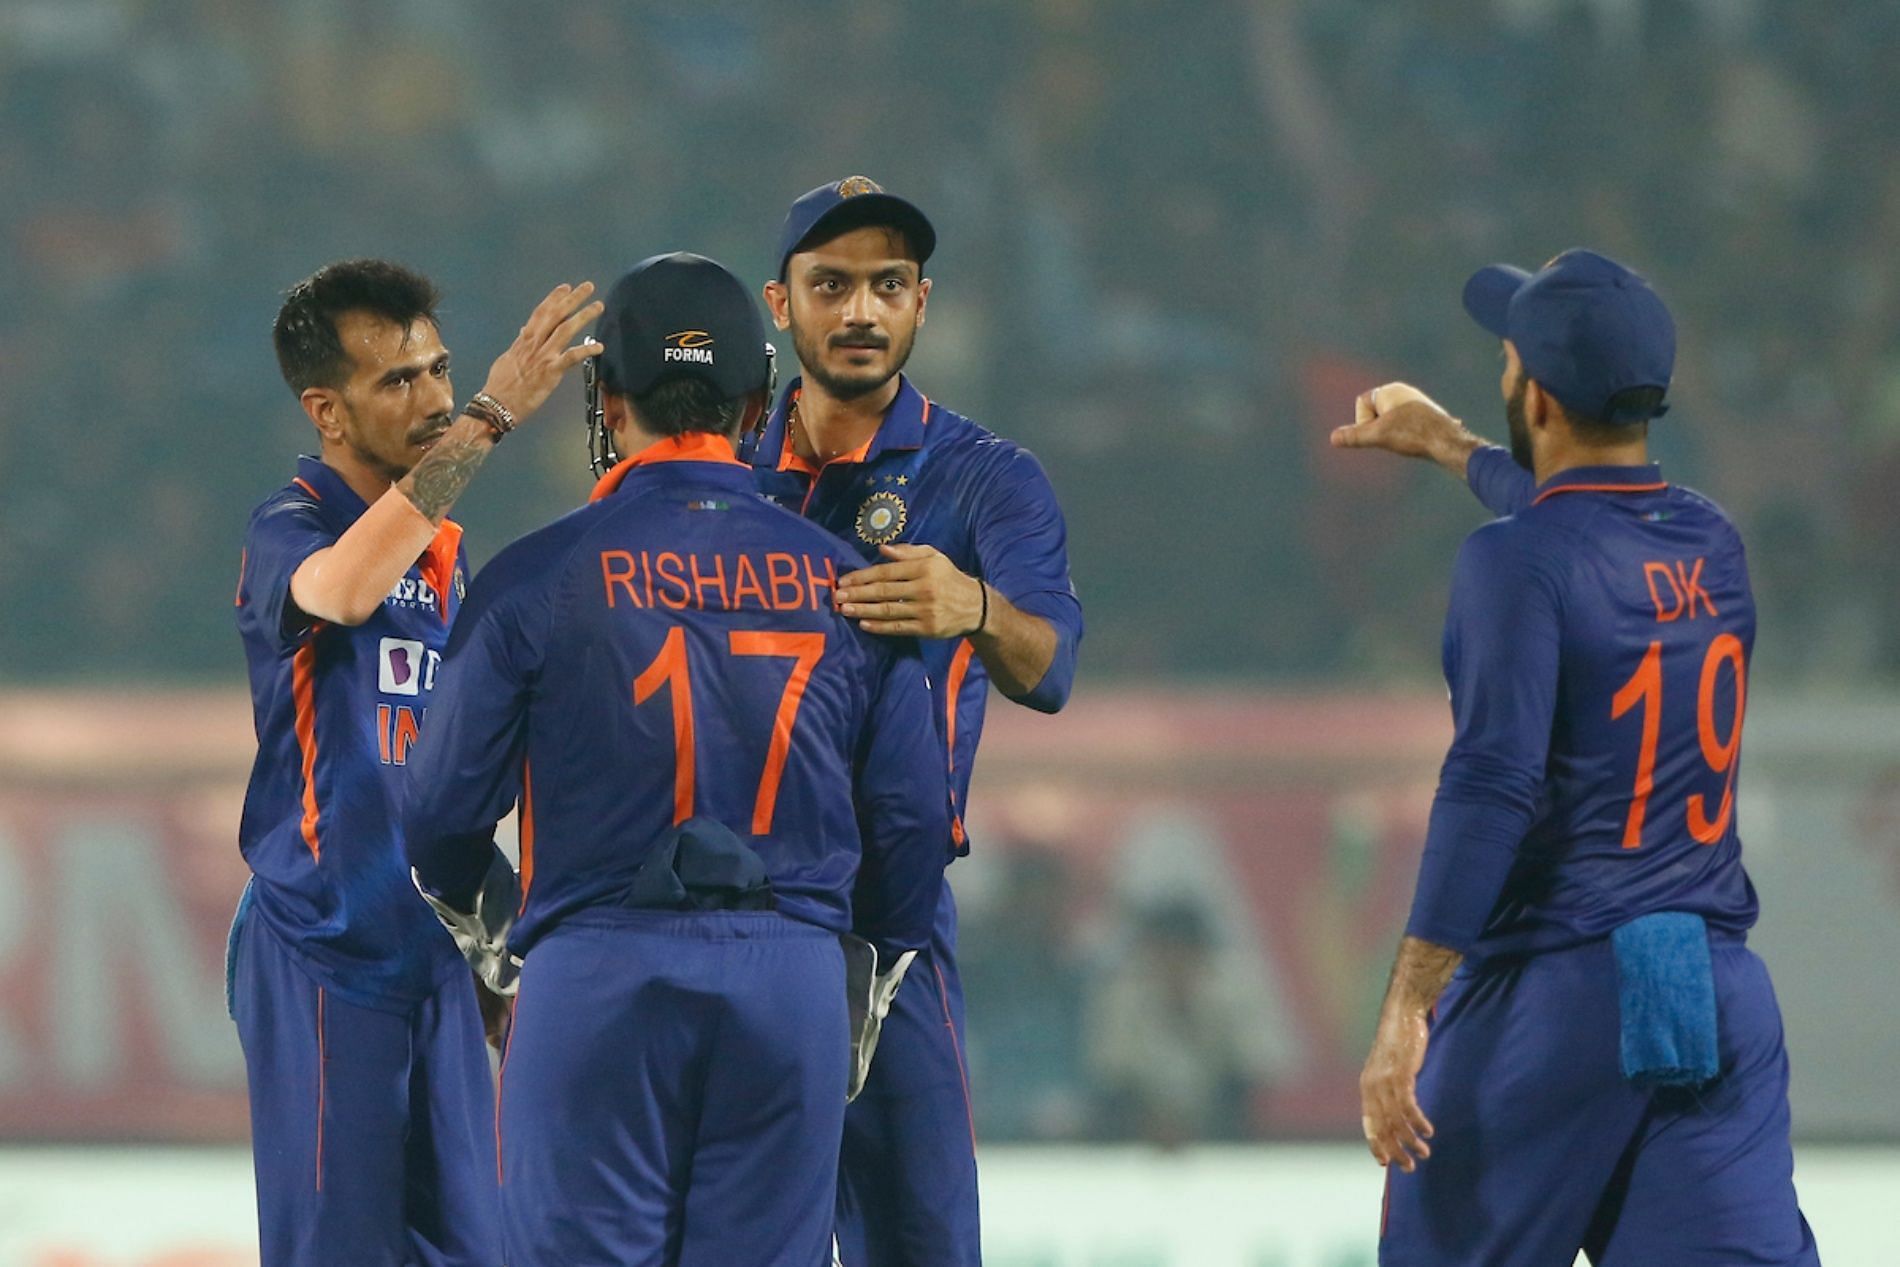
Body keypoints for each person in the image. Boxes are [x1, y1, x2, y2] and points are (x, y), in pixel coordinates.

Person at [403, 252, 951, 1267]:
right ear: (757, 403)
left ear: (607, 400)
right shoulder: (853, 584)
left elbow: (436, 816)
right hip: (790, 976)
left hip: (593, 972)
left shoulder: (533, 577)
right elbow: (913, 823)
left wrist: (496, 934)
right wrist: (859, 981)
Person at [1337, 249, 1819, 1265]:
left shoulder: (1510, 563)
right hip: (1707, 988)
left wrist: (1406, 1008)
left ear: (1536, 394)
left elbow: (1490, 782)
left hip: (1552, 1002)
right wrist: (1453, 447)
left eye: (1507, 357)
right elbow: (1579, 526)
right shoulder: (1710, 542)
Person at [231, 259, 601, 1265]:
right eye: (398, 380)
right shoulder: (290, 527)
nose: (436, 397)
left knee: (472, 1249)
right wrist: (491, 418)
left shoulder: (445, 553)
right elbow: (343, 593)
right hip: (325, 948)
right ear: (327, 410)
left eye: (439, 369)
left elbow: (447, 771)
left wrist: (488, 930)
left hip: (435, 961)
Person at [744, 176, 1085, 1267]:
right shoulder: (722, 469)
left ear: (922, 304)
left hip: (887, 927)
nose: (860, 311)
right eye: (831, 284)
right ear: (779, 302)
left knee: (923, 1243)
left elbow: (1053, 667)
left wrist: (972, 605)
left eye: (887, 284)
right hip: (734, 907)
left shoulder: (987, 479)